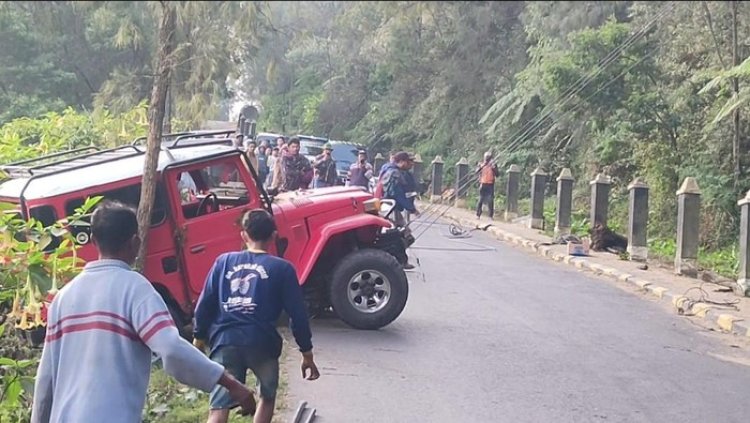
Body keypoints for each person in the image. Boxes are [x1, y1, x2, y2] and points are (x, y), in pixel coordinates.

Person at [31, 201, 255, 423]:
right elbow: (171, 349)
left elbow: (46, 379)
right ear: (135, 242)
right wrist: (231, 384)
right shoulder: (136, 289)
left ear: (93, 241)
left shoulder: (63, 297)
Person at [193, 209, 320, 423]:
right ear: (273, 236)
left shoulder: (223, 262)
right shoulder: (283, 269)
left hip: (225, 341)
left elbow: (205, 304)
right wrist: (306, 353)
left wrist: (199, 337)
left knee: (218, 408)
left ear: (244, 235)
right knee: (267, 398)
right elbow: (298, 315)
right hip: (263, 342)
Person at [476, 151, 500, 220]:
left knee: (490, 200)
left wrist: (493, 167)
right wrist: (482, 166)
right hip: (483, 184)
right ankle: (478, 214)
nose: (487, 159)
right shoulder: (481, 164)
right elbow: (476, 171)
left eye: (488, 158)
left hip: (490, 185)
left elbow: (497, 174)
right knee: (480, 200)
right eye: (486, 158)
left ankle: (490, 216)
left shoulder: (493, 165)